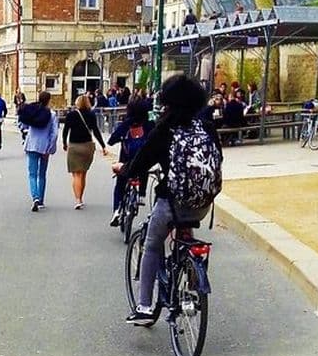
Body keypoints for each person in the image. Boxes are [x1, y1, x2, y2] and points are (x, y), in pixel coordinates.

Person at [114, 75, 223, 325]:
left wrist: (124, 168)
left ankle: (143, 307)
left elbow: (142, 161)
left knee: (152, 244)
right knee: (185, 234)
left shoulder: (166, 128)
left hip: (172, 202)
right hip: (202, 204)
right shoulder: (206, 126)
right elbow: (217, 160)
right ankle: (194, 282)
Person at [108, 98, 155, 226]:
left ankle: (117, 210)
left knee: (120, 184)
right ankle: (141, 194)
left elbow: (111, 140)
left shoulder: (127, 124)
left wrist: (120, 138)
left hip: (126, 161)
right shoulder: (149, 124)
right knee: (143, 166)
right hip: (144, 162)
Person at [62, 95, 107, 209]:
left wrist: (64, 143)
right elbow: (96, 131)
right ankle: (81, 197)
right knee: (83, 174)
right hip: (87, 146)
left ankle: (78, 199)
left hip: (74, 146)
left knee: (76, 174)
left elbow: (65, 130)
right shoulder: (91, 115)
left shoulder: (71, 115)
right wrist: (103, 146)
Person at [19, 91, 58, 212]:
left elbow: (22, 123)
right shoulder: (51, 114)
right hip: (44, 147)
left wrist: (24, 130)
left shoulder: (33, 111)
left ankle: (35, 196)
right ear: (49, 100)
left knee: (32, 174)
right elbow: (54, 133)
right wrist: (50, 148)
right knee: (42, 174)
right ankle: (41, 199)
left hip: (31, 145)